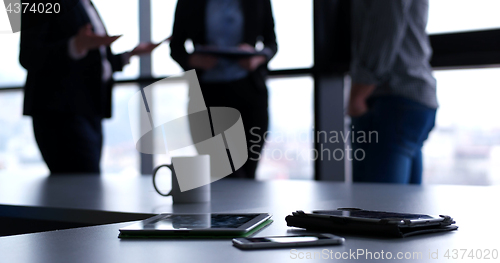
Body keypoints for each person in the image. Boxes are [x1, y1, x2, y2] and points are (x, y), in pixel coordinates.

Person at [20, 0, 160, 174]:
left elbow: (95, 62)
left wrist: (130, 54)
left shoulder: (85, 4)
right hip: (59, 113)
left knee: (85, 186)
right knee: (80, 185)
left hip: (90, 109)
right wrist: (74, 45)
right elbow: (27, 55)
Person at [170, 0, 277, 179]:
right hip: (207, 97)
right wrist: (194, 60)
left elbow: (271, 43)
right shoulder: (187, 3)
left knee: (247, 174)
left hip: (249, 95)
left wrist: (256, 58)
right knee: (223, 174)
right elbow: (176, 48)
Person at [348, 0, 437, 184]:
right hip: (412, 95)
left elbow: (385, 26)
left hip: (391, 96)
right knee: (405, 207)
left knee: (376, 208)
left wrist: (359, 93)